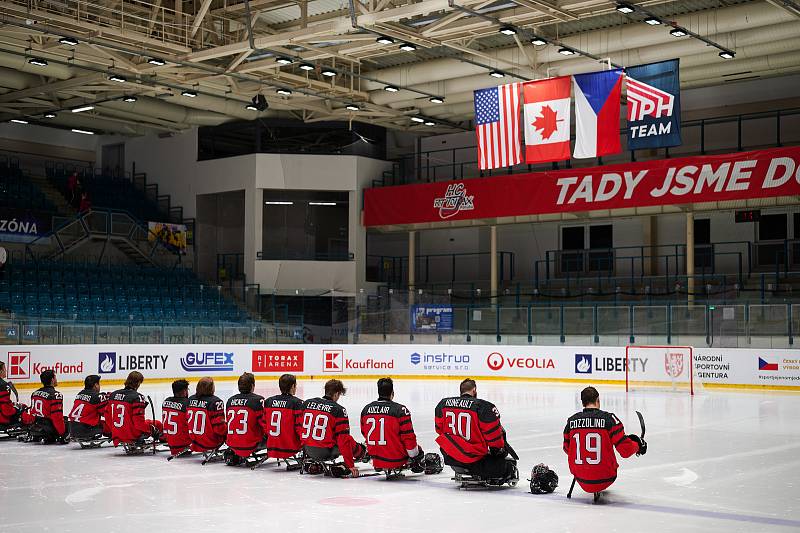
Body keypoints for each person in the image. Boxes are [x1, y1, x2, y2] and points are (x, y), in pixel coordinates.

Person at [563, 386, 646, 497]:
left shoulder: (571, 421)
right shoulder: (610, 419)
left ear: (582, 403)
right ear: (598, 400)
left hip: (580, 478)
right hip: (606, 477)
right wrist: (638, 445)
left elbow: (567, 449)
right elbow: (625, 450)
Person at [434, 378, 517, 482]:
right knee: (507, 467)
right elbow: (494, 440)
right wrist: (499, 453)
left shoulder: (443, 404)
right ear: (474, 391)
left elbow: (439, 429)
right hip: (474, 460)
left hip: (451, 459)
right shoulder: (484, 407)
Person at [301, 379, 369, 478]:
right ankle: (363, 453)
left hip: (307, 450)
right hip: (325, 452)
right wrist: (350, 465)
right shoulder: (338, 410)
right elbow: (344, 440)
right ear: (337, 394)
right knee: (348, 439)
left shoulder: (307, 403)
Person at [360, 377, 424, 471]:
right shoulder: (400, 410)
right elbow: (408, 438)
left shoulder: (366, 410)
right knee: (418, 450)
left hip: (375, 459)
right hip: (396, 459)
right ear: (392, 393)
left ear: (379, 392)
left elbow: (364, 433)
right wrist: (415, 457)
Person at [108, 371, 162, 445]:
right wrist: (152, 430)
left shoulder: (113, 395)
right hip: (131, 434)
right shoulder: (137, 398)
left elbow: (107, 417)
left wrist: (114, 431)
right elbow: (139, 424)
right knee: (157, 424)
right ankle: (165, 440)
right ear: (138, 383)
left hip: (116, 433)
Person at [225, 373, 265, 462]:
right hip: (251, 444)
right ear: (252, 386)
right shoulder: (258, 400)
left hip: (232, 443)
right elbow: (264, 424)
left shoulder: (230, 400)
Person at [263, 374, 304, 460]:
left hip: (272, 447)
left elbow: (264, 425)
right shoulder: (297, 403)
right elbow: (300, 428)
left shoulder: (268, 401)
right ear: (293, 386)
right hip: (290, 448)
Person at [26, 370, 68, 443]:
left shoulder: (34, 393)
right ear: (52, 380)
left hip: (35, 427)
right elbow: (57, 417)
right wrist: (63, 434)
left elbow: (32, 413)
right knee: (66, 421)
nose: (56, 379)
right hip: (47, 429)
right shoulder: (55, 395)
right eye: (55, 377)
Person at [187, 377, 226, 453]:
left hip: (193, 441)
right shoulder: (216, 402)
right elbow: (219, 429)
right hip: (209, 442)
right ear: (211, 388)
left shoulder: (190, 399)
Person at [68, 374, 109, 440]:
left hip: (72, 428)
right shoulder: (97, 397)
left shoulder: (80, 394)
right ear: (95, 385)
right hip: (86, 429)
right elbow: (106, 414)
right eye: (99, 384)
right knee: (110, 425)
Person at [162, 379, 191, 456]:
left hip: (169, 440)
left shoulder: (166, 401)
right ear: (184, 391)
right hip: (183, 442)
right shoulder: (187, 404)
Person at [0, 361, 26, 428]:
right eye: (4, 369)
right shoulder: (3, 386)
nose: (6, 371)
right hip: (3, 420)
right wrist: (17, 409)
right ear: (1, 371)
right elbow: (7, 411)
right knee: (24, 410)